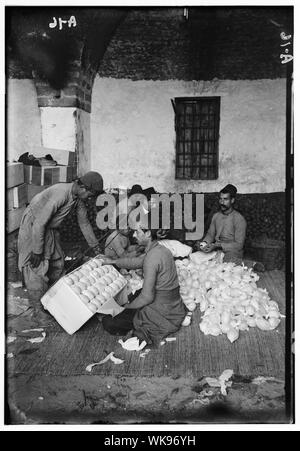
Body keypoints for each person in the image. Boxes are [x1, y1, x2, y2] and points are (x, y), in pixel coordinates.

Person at [18, 171, 104, 303]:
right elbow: (39, 224)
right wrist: (37, 250)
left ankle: (55, 299)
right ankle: (38, 304)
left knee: (57, 261)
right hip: (33, 225)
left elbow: (84, 223)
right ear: (82, 187)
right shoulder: (61, 193)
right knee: (37, 266)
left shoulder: (78, 199)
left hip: (50, 228)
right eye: (89, 194)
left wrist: (95, 246)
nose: (88, 198)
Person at [102, 223, 187, 346]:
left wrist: (126, 308)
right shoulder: (160, 249)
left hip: (163, 310)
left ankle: (139, 318)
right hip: (173, 302)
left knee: (109, 322)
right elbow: (138, 261)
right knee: (135, 294)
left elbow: (147, 297)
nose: (134, 234)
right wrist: (114, 261)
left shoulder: (152, 258)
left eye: (138, 232)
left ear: (147, 233)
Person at [198, 184, 264, 271]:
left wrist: (218, 245)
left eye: (225, 199)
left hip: (232, 251)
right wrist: (204, 244)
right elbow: (210, 234)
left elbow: (239, 245)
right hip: (216, 250)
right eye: (220, 199)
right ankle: (218, 260)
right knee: (194, 257)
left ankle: (252, 264)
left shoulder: (239, 219)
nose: (222, 202)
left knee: (226, 262)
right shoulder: (216, 216)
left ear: (232, 200)